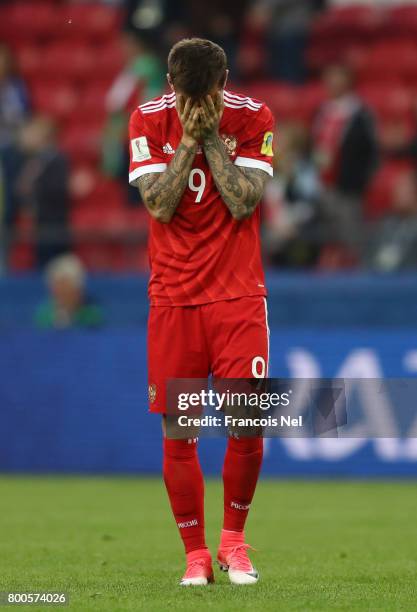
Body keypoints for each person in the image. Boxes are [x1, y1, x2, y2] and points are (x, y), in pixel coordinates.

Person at [128, 38, 274, 585]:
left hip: (238, 295)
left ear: (224, 82)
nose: (192, 103)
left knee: (246, 421)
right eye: (183, 95)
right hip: (174, 298)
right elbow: (160, 205)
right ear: (169, 84)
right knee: (179, 429)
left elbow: (242, 201)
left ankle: (234, 544)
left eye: (205, 95)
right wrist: (189, 140)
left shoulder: (254, 115)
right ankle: (194, 556)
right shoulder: (145, 119)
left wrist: (210, 136)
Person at [312, 63, 378, 254]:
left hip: (348, 187)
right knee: (326, 238)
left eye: (337, 78)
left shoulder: (360, 114)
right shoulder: (322, 111)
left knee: (350, 238)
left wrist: (360, 181)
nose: (332, 83)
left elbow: (369, 151)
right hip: (322, 185)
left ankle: (357, 278)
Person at [9, 116, 70, 268]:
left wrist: (34, 190)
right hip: (38, 223)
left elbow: (57, 189)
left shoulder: (58, 159)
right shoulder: (30, 161)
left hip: (54, 223)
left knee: (54, 264)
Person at [363, 171, 417, 271]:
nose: (395, 194)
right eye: (395, 190)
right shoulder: (385, 224)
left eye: (401, 190)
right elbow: (368, 256)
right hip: (378, 281)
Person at [35, 253, 103, 329]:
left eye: (66, 287)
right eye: (57, 287)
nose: (62, 293)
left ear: (78, 289)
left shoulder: (92, 314)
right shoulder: (44, 314)